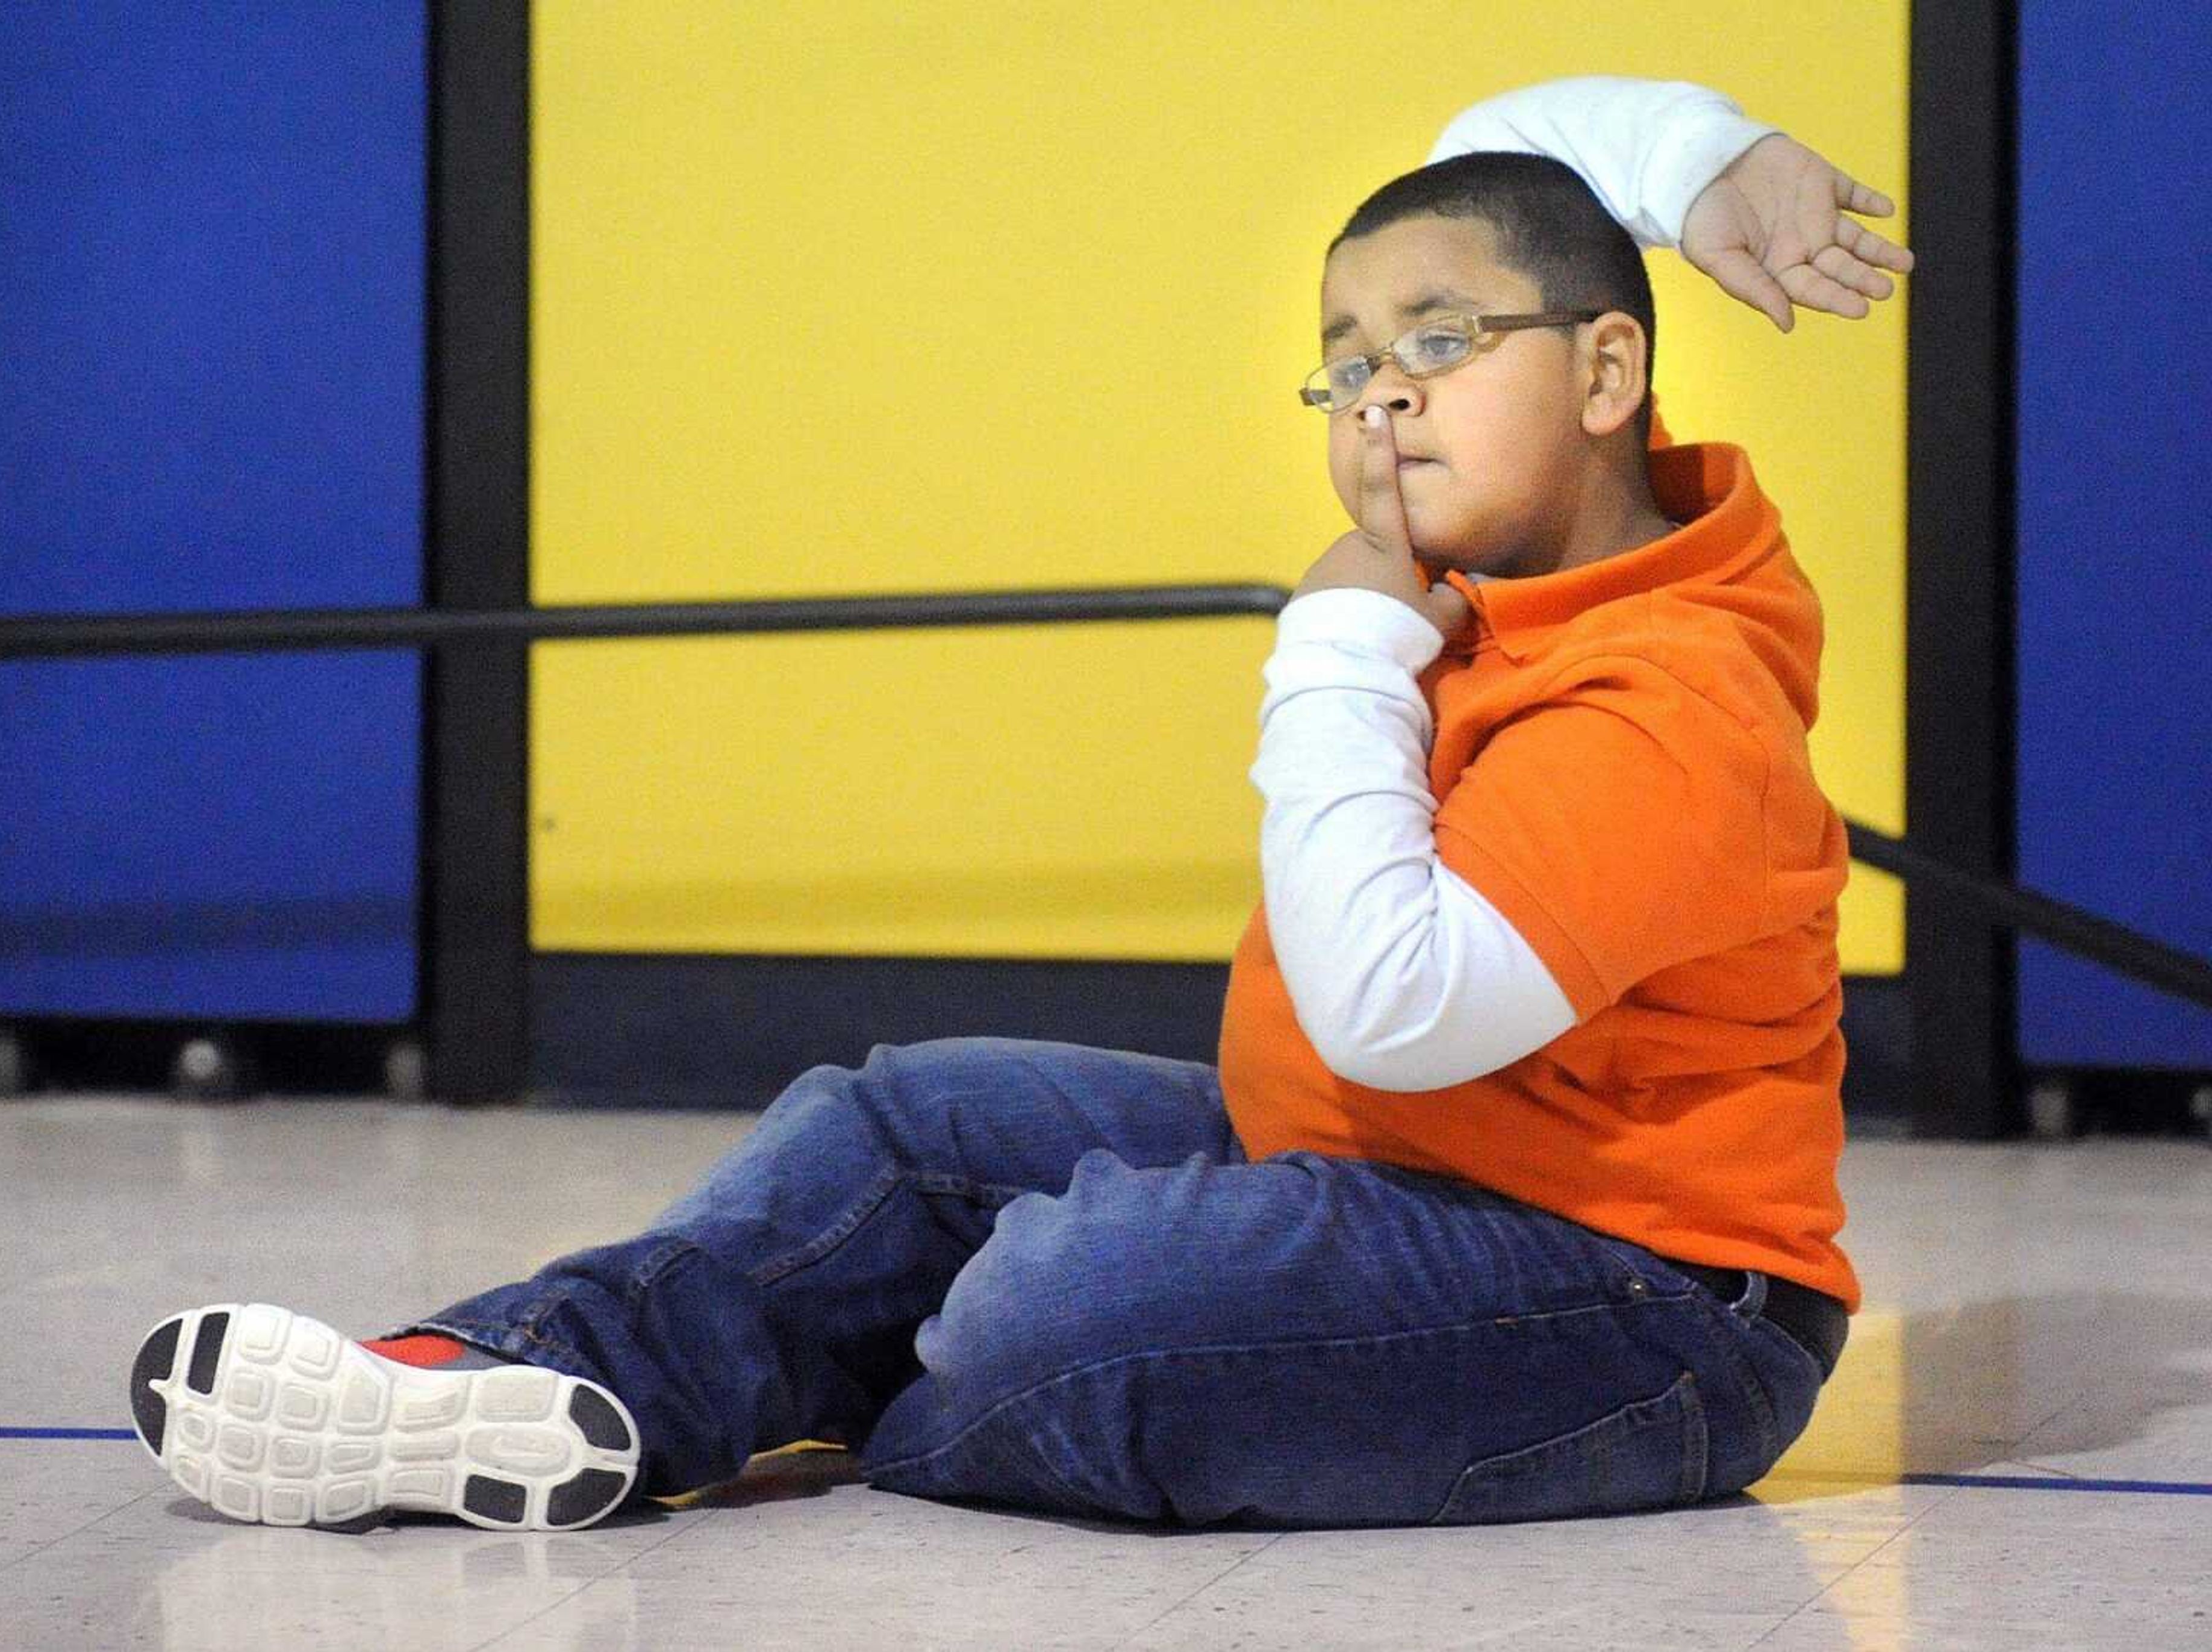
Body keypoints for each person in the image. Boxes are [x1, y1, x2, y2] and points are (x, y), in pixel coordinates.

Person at [128, 75, 1914, 1532]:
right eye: (1345, 357)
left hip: (1652, 1313)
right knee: (900, 1128)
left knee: (1068, 1304)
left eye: (1437, 346)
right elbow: (1492, 166)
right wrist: (1704, 160)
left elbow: (1397, 1010)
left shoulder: (1674, 693)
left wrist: (1342, 653)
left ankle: (798, 1382)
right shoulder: (1517, 535)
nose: (1381, 394)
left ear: (1608, 377)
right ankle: (498, 1383)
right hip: (1393, 1172)